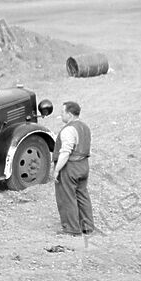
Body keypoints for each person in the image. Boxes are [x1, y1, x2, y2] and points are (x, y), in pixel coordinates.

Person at [52, 100, 94, 235]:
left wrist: (57, 170)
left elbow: (65, 152)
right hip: (83, 165)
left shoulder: (68, 130)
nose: (61, 115)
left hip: (70, 167)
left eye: (62, 112)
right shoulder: (85, 127)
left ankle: (71, 229)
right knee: (82, 195)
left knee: (67, 197)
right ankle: (87, 226)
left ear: (69, 114)